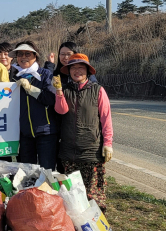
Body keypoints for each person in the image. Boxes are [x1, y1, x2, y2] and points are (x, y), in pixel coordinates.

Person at [54, 53, 113, 212]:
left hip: (91, 150)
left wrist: (107, 144)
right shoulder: (65, 90)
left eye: (81, 67)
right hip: (69, 151)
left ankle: (97, 226)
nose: (77, 71)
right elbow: (61, 110)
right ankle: (78, 228)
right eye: (73, 68)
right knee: (73, 195)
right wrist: (59, 92)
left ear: (87, 71)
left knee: (94, 195)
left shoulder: (98, 90)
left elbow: (106, 119)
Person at [10, 41, 59, 170]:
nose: (23, 57)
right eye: (20, 54)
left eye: (27, 54)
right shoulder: (13, 78)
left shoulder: (45, 74)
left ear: (35, 56)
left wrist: (30, 88)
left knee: (47, 172)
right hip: (25, 135)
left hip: (46, 133)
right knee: (27, 174)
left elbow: (50, 98)